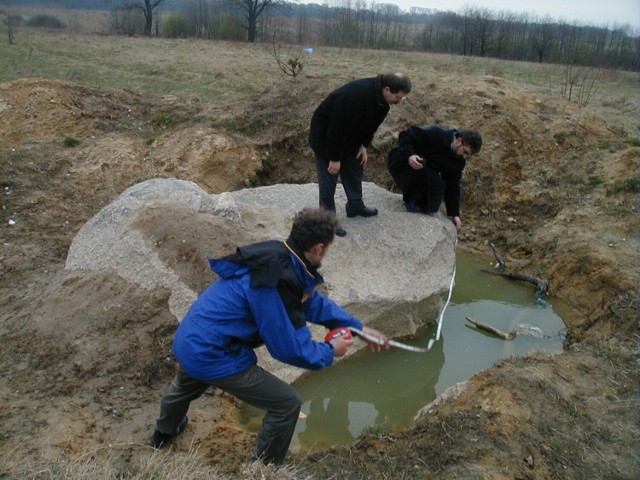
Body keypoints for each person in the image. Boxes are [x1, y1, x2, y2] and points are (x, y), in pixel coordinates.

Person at [150, 208, 389, 465]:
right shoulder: (274, 282)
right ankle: (264, 468)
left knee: (184, 385)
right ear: (319, 248)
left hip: (192, 337)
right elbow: (287, 348)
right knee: (286, 404)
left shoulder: (280, 256)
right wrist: (330, 350)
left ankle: (162, 434)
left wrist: (357, 328)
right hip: (214, 352)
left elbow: (311, 302)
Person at [308, 72, 412, 237]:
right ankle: (327, 220)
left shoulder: (382, 102)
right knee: (330, 177)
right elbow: (336, 129)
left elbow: (370, 126)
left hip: (350, 136)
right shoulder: (354, 96)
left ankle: (355, 206)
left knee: (355, 166)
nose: (399, 102)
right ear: (387, 89)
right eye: (398, 97)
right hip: (326, 137)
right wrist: (334, 158)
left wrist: (363, 145)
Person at [387, 125, 482, 231]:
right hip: (402, 160)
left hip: (425, 170)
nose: (464, 156)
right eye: (465, 152)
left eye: (468, 155)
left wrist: (454, 214)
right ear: (459, 141)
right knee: (421, 162)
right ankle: (411, 199)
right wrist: (410, 156)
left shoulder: (458, 161)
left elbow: (453, 185)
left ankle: (419, 202)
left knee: (436, 194)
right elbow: (406, 135)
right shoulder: (437, 134)